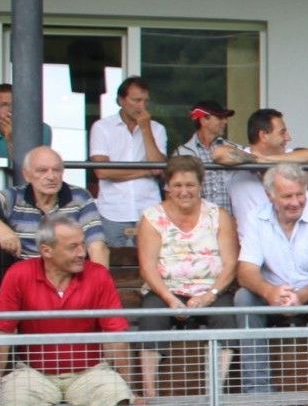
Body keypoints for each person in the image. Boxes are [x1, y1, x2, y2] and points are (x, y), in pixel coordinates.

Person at [0, 213, 133, 406]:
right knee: (10, 401)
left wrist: (132, 385)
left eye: (82, 245)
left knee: (119, 397)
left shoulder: (97, 274)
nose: (82, 252)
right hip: (36, 371)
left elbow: (116, 334)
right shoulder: (19, 274)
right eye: (72, 247)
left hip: (88, 370)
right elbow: (3, 333)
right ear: (46, 251)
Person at [232, 164, 308, 394]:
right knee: (243, 298)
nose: (296, 202)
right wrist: (269, 292)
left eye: (300, 194)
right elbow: (246, 271)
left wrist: (301, 296)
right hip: (273, 294)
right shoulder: (256, 217)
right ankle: (258, 391)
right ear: (270, 195)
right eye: (287, 196)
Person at [134, 154, 239, 406]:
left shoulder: (218, 215)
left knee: (226, 316)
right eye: (178, 185)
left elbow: (231, 263)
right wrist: (171, 300)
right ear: (167, 186)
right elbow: (147, 268)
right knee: (151, 314)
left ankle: (216, 393)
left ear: (200, 185)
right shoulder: (151, 217)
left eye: (190, 185)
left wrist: (210, 294)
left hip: (210, 290)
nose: (184, 191)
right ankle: (149, 393)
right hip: (166, 290)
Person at [88, 76, 168, 248]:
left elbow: (158, 168)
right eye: (136, 100)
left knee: (151, 263)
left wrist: (146, 129)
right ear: (121, 101)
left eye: (145, 101)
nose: (142, 106)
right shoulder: (102, 127)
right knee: (114, 266)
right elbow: (102, 172)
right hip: (113, 210)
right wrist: (146, 171)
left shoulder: (157, 128)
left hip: (149, 209)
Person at [0, 145, 109, 270]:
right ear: (27, 175)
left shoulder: (79, 197)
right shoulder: (13, 196)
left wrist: (99, 282)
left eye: (56, 170)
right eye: (42, 170)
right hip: (26, 278)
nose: (51, 177)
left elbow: (96, 246)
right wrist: (2, 230)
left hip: (69, 276)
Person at [224, 108, 308, 228]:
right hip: (252, 244)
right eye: (282, 132)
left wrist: (265, 161)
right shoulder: (241, 157)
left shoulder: (291, 156)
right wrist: (256, 160)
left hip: (292, 240)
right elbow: (219, 153)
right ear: (264, 135)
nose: (288, 137)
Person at [175, 101, 238, 210]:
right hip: (198, 223)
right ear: (204, 120)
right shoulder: (181, 153)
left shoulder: (234, 149)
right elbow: (171, 192)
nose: (225, 121)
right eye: (220, 117)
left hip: (229, 222)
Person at [0, 81, 52, 176]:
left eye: (15, 104)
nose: (11, 109)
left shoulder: (41, 129)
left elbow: (31, 169)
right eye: (4, 105)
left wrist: (10, 139)